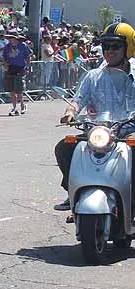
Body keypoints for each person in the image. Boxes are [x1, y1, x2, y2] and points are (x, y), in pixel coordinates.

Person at [53, 27, 135, 211]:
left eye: (115, 46)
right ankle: (75, 193)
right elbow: (78, 99)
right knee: (65, 147)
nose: (110, 51)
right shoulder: (94, 76)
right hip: (99, 131)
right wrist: (70, 112)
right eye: (106, 46)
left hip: (128, 131)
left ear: (128, 48)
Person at [2, 29, 32, 116]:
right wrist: (5, 65)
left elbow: (28, 56)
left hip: (20, 68)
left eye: (11, 37)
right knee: (11, 89)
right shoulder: (7, 47)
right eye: (9, 38)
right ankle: (14, 107)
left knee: (19, 89)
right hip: (11, 68)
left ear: (16, 38)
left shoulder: (23, 45)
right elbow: (4, 57)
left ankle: (22, 105)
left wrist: (27, 67)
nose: (10, 39)